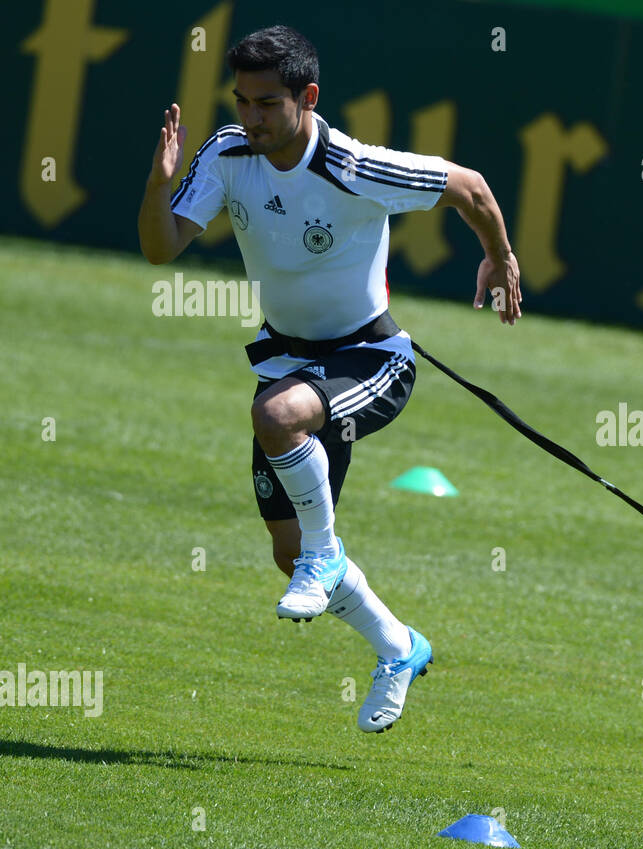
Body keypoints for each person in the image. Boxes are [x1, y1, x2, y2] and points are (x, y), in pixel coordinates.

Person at [137, 25, 521, 733]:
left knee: (278, 420)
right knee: (289, 554)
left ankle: (327, 551)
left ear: (307, 98)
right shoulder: (225, 154)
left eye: (267, 104)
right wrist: (159, 187)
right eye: (241, 101)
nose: (250, 118)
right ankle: (399, 647)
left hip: (372, 361)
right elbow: (160, 248)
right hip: (289, 359)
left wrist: (498, 257)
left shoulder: (352, 164)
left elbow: (469, 187)